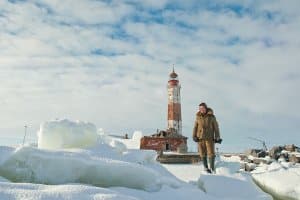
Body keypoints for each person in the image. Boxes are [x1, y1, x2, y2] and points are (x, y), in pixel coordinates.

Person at [193, 102, 222, 173]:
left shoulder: (211, 117)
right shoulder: (198, 117)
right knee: (202, 153)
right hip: (200, 138)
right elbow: (195, 127)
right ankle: (206, 168)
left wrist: (217, 137)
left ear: (206, 108)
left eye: (202, 108)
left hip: (209, 138)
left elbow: (216, 127)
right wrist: (194, 136)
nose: (201, 110)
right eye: (200, 109)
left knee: (211, 153)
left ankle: (212, 168)